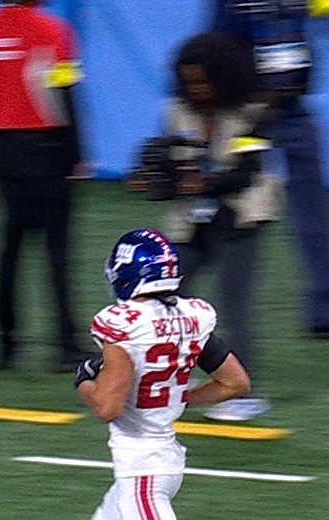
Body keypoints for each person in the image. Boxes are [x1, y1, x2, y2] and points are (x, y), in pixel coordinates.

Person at [32, 229, 280, 520]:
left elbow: (108, 407)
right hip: (154, 456)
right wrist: (179, 398)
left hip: (143, 468)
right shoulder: (192, 315)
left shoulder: (123, 324)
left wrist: (83, 381)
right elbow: (236, 383)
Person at [129, 32, 281, 422]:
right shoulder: (176, 111)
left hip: (240, 217)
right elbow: (171, 165)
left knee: (233, 303)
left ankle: (244, 393)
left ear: (223, 78)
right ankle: (166, 377)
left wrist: (204, 182)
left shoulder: (253, 113)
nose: (196, 89)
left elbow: (247, 173)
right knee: (163, 296)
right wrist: (150, 179)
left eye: (203, 81)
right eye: (189, 82)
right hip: (191, 221)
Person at [211, 0, 329, 339]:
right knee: (232, 205)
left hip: (292, 109)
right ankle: (199, 309)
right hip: (247, 116)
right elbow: (215, 46)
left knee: (314, 209)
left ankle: (325, 311)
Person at [0, 0, 92, 373]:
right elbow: (64, 92)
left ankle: (6, 345)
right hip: (47, 147)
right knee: (57, 250)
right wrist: (76, 154)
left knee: (11, 249)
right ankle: (65, 346)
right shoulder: (52, 29)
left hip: (4, 151)